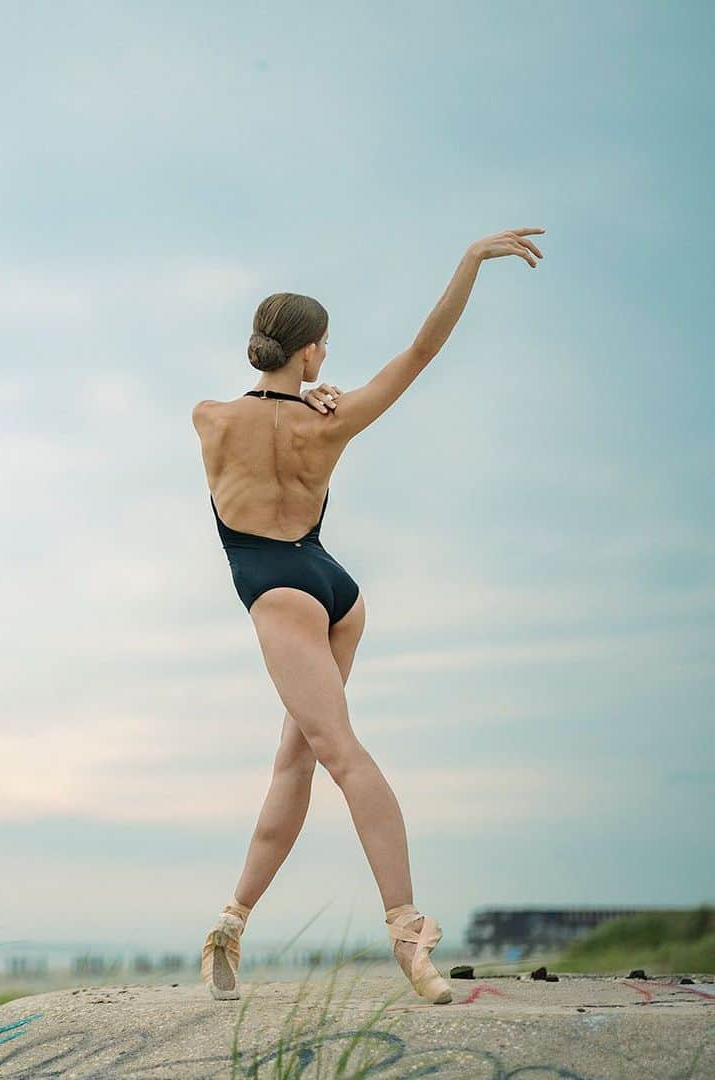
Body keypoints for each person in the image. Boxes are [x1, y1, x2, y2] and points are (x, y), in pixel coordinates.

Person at [192, 227, 546, 1004]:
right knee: (299, 760)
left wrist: (304, 388)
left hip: (281, 595)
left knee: (339, 753)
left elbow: (257, 420)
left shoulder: (210, 419)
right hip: (336, 592)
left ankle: (407, 931)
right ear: (313, 351)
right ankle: (231, 922)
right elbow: (421, 351)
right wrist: (469, 260)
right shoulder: (333, 416)